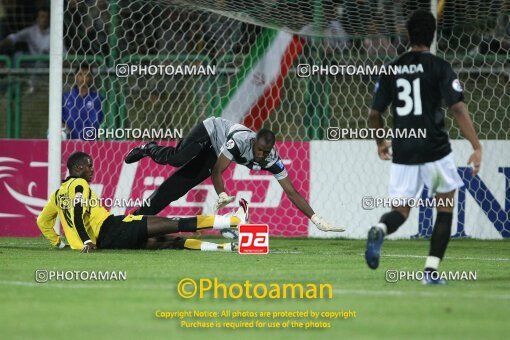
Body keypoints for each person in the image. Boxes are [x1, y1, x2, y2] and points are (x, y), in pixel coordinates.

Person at [365, 10, 482, 284]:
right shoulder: (440, 66)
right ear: (433, 36)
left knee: (401, 212)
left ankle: (380, 228)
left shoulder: (392, 68)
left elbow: (374, 114)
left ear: (407, 35)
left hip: (404, 150)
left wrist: (381, 140)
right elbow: (458, 108)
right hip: (435, 150)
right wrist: (476, 145)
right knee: (444, 208)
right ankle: (430, 272)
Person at [124, 117, 344, 232]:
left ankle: (134, 219)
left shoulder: (272, 160)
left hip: (216, 152)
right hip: (210, 133)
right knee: (177, 158)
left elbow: (292, 192)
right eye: (258, 149)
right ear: (253, 141)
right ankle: (148, 147)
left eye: (265, 152)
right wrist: (222, 195)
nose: (260, 155)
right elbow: (218, 171)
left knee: (177, 188)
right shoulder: (239, 141)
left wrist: (315, 219)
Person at [37, 152, 248, 253]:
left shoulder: (57, 195)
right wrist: (85, 240)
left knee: (168, 241)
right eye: (90, 167)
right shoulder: (79, 185)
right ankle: (233, 220)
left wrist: (59, 242)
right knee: (174, 222)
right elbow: (76, 211)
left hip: (107, 243)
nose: (93, 170)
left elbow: (42, 221)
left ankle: (226, 248)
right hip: (113, 228)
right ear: (79, 168)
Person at [62, 63, 104, 139]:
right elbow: (61, 120)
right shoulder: (66, 97)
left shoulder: (96, 98)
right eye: (80, 74)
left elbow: (95, 122)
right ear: (75, 76)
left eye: (86, 75)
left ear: (91, 78)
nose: (83, 78)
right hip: (69, 140)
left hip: (89, 141)